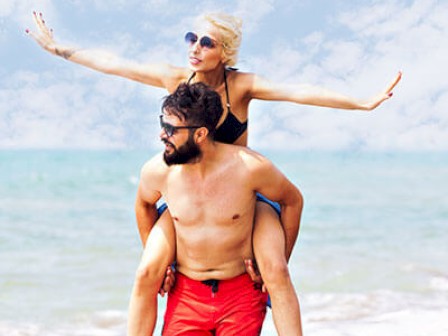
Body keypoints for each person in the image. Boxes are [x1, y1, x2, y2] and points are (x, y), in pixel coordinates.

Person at [27, 11, 401, 335]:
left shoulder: (241, 86)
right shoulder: (176, 79)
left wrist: (361, 104)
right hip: (188, 193)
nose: (195, 48)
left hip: (243, 191)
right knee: (147, 273)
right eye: (191, 38)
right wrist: (59, 49)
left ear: (226, 52)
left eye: (206, 42)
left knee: (277, 270)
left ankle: (266, 292)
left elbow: (299, 91)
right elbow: (115, 63)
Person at [132, 82, 303, 335]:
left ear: (200, 134)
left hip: (240, 293)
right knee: (146, 272)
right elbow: (144, 204)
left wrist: (279, 261)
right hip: (188, 294)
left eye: (170, 129)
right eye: (162, 124)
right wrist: (165, 267)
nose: (161, 135)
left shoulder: (249, 167)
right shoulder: (158, 171)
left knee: (278, 271)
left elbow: (292, 200)